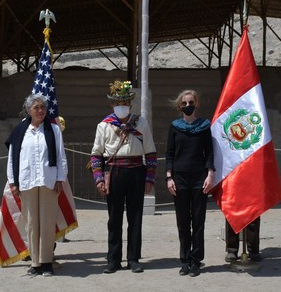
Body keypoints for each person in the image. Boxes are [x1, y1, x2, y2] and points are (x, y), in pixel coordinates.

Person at [90, 79, 157, 274]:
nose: (122, 106)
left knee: (136, 217)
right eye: (118, 103)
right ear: (112, 104)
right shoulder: (103, 125)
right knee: (114, 218)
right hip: (114, 172)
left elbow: (151, 153)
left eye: (126, 103)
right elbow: (96, 154)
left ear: (130, 103)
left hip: (137, 171)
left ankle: (134, 259)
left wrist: (149, 178)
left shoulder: (141, 122)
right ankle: (113, 259)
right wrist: (99, 179)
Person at [6, 94, 68, 276]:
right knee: (31, 224)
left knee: (48, 223)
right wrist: (13, 182)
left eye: (42, 107)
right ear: (28, 110)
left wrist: (60, 179)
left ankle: (47, 262)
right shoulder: (19, 131)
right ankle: (35, 262)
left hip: (48, 181)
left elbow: (60, 155)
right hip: (27, 182)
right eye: (36, 108)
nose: (40, 111)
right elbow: (12, 159)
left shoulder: (54, 130)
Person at [165, 89, 214, 277]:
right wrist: (169, 177)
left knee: (199, 222)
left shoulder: (204, 126)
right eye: (184, 103)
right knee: (183, 222)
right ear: (180, 106)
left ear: (196, 103)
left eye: (190, 102)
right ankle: (184, 260)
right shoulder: (175, 126)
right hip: (180, 180)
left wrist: (210, 175)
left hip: (200, 180)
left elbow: (209, 152)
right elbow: (169, 153)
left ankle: (196, 261)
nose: (188, 106)